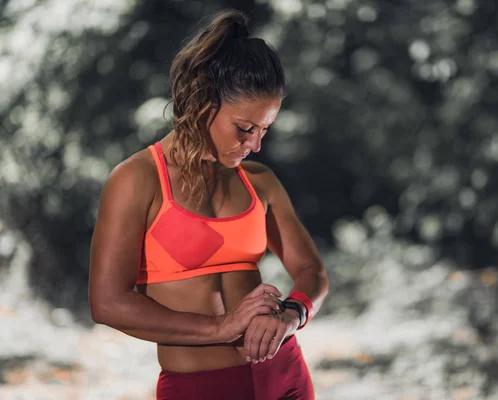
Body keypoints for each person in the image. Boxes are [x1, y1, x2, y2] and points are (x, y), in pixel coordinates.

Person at [88, 9, 329, 400]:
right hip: (198, 387)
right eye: (245, 128)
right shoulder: (137, 180)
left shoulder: (260, 182)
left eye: (264, 129)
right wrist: (221, 328)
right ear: (202, 101)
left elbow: (310, 271)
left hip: (284, 377)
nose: (256, 144)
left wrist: (291, 314)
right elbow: (108, 303)